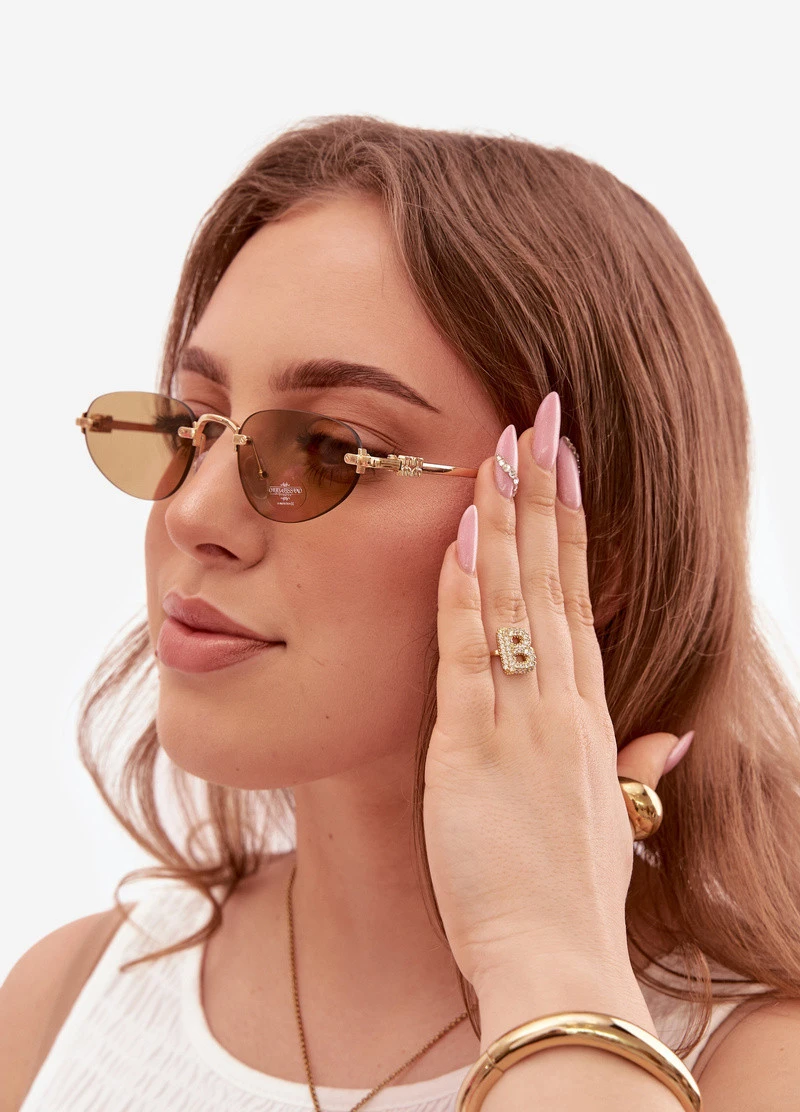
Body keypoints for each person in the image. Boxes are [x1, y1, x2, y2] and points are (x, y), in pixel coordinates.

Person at [3, 116, 799, 1111]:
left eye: (327, 448)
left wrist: (547, 962)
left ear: (603, 552)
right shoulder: (64, 1006)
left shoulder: (753, 1066)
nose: (193, 515)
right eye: (195, 424)